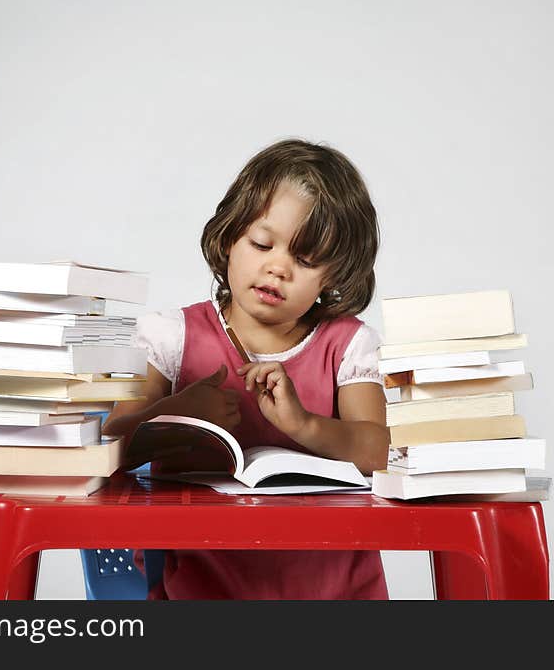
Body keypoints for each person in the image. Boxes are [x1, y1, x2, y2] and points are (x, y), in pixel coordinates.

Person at [102, 138, 389, 599]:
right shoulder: (172, 337)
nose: (278, 268)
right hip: (201, 589)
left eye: (306, 259)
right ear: (230, 237)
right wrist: (178, 410)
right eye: (262, 244)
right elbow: (112, 445)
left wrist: (304, 424)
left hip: (335, 589)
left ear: (333, 276)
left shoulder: (348, 344)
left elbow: (377, 450)